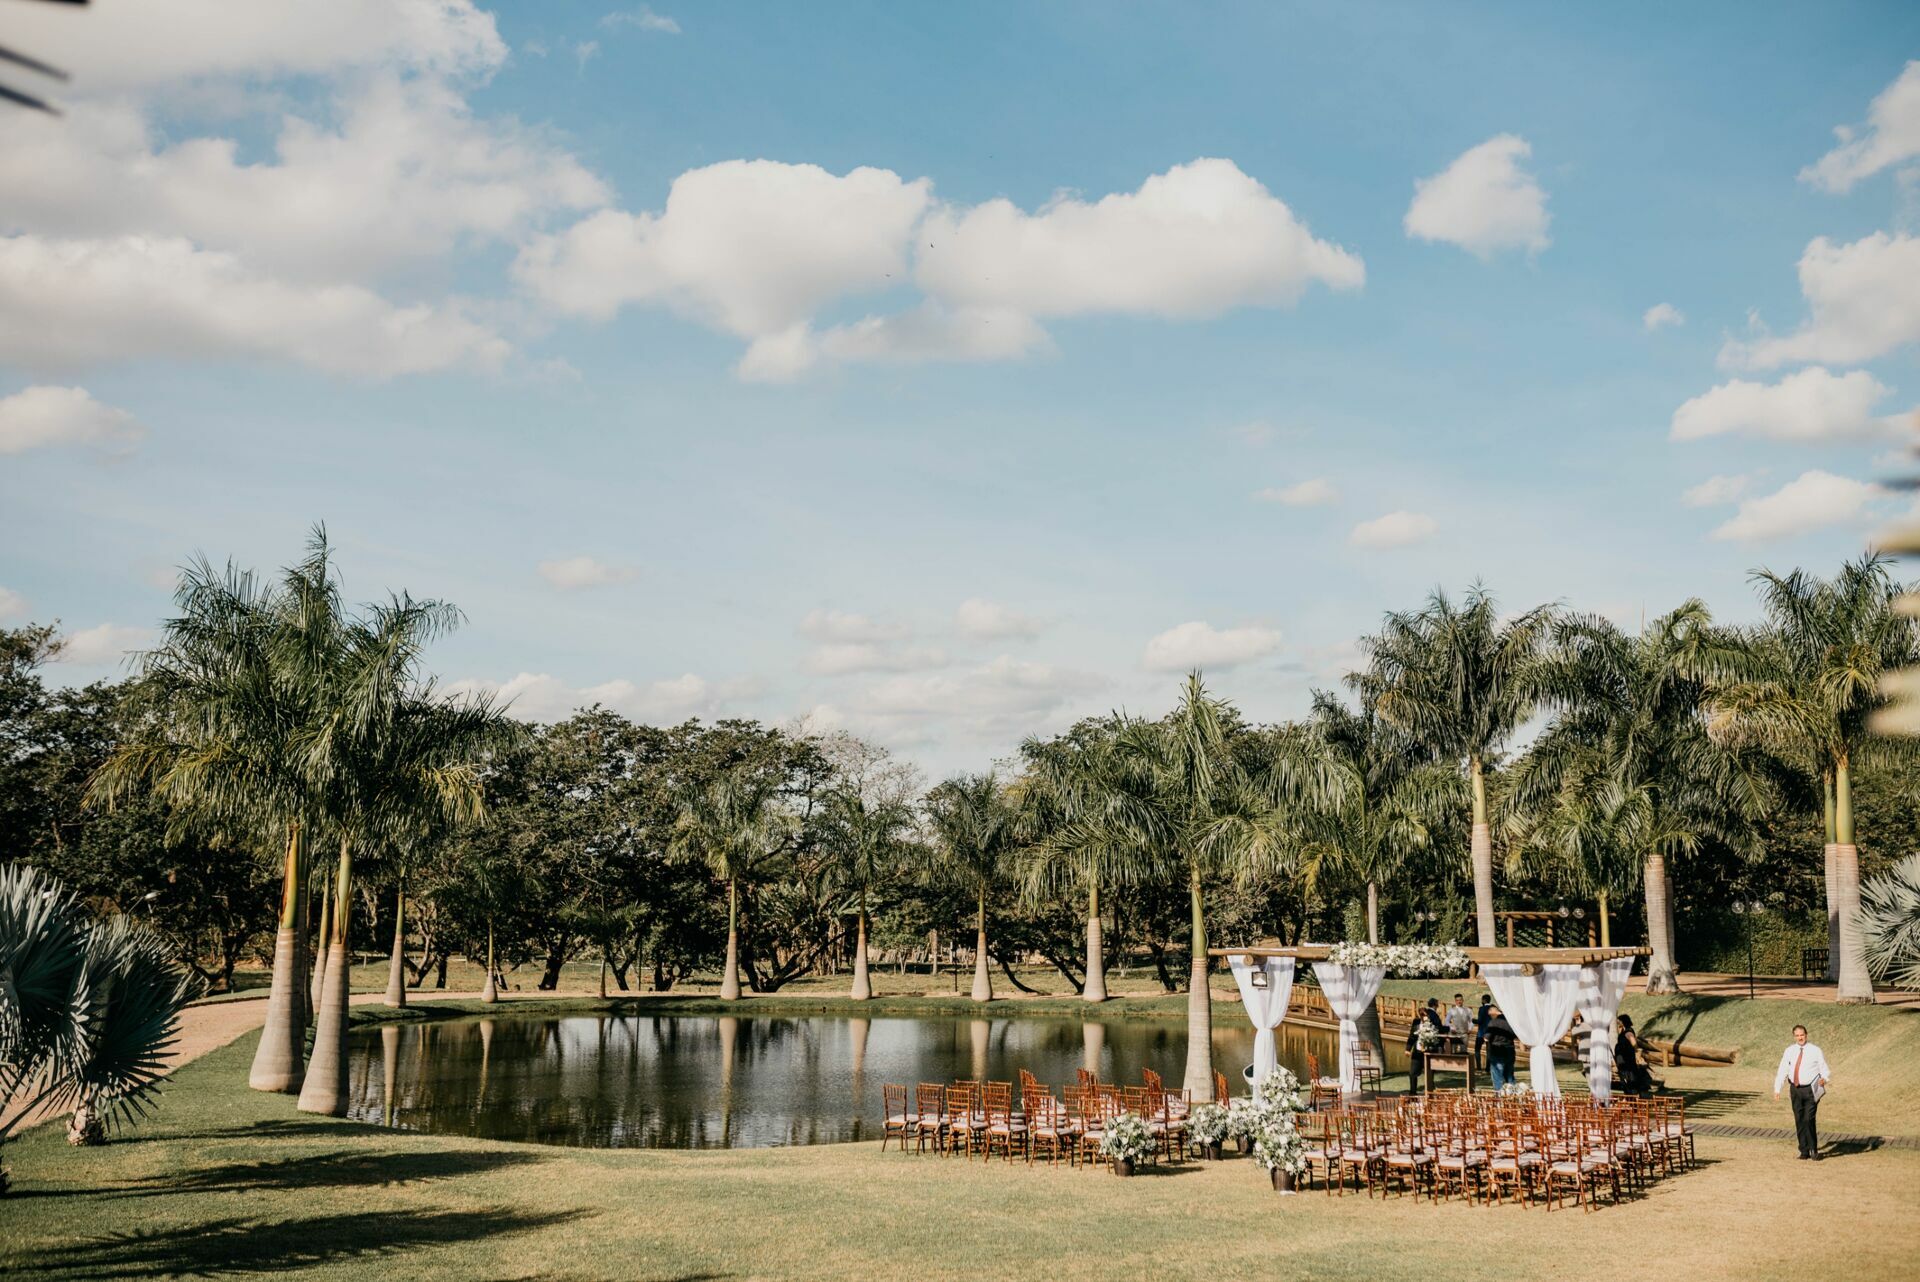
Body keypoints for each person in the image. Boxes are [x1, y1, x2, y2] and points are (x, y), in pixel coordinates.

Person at [1773, 1023, 1833, 1160]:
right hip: (1795, 1090)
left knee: (1808, 1119)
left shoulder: (1815, 1050)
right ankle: (1804, 1150)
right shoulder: (1789, 1051)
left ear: (1806, 1035)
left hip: (1811, 1090)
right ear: (1794, 1037)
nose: (1800, 1038)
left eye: (1802, 1035)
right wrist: (1777, 1088)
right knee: (1799, 1119)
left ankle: (1813, 1149)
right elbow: (1782, 1070)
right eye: (1797, 1035)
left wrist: (1824, 1078)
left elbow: (1825, 1069)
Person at [1405, 1003, 1443, 1093]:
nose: (1423, 1016)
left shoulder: (1432, 1023)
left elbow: (1438, 1035)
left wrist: (1440, 1048)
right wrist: (1407, 1049)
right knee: (1412, 1073)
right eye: (1421, 1014)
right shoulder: (1416, 1022)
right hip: (1417, 1052)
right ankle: (1413, 1093)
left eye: (1424, 1014)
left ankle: (1430, 1092)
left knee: (1429, 1074)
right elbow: (1412, 1036)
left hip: (1429, 1052)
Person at [1615, 1013, 1654, 1095]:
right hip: (1622, 1057)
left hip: (1626, 1058)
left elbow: (1633, 1041)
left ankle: (1632, 1092)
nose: (1618, 1022)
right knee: (1624, 1074)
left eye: (1619, 1021)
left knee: (1628, 1075)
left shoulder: (1628, 1031)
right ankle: (1628, 1092)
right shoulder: (1624, 1030)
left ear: (1623, 1021)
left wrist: (1636, 1050)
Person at [1483, 1003, 1518, 1090]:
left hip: (1497, 1051)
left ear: (1494, 1011)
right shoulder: (1510, 1021)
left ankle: (1499, 1098)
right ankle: (1513, 1098)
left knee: (1498, 1077)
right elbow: (1515, 1036)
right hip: (1510, 1050)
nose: (1489, 1015)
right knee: (1510, 1077)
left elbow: (1486, 1038)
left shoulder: (1493, 1022)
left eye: (1489, 1013)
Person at [1473, 993, 1494, 1067]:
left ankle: (1478, 1067)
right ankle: (1488, 1069)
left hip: (1481, 1033)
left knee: (1477, 1049)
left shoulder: (1482, 1009)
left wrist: (1473, 1020)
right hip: (1491, 1033)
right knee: (1489, 1051)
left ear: (1484, 1000)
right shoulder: (1494, 1008)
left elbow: (1480, 1021)